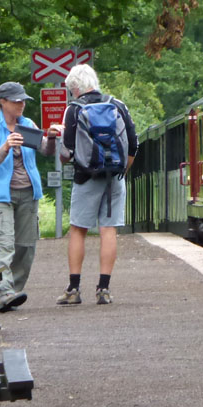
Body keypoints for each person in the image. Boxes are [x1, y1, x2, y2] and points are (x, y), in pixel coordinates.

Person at [56, 64, 138, 306]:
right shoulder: (118, 105)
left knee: (78, 230)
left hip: (86, 177)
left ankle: (73, 289)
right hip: (114, 178)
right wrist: (121, 171)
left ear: (74, 88)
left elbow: (66, 153)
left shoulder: (73, 110)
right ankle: (103, 289)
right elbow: (133, 145)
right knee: (108, 230)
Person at [0, 81, 62, 313]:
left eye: (23, 100)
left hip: (28, 193)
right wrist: (5, 147)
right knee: (4, 245)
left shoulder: (27, 125)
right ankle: (4, 292)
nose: (21, 104)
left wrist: (52, 137)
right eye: (16, 100)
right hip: (1, 196)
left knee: (26, 248)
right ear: (3, 102)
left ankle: (12, 291)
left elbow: (45, 149)